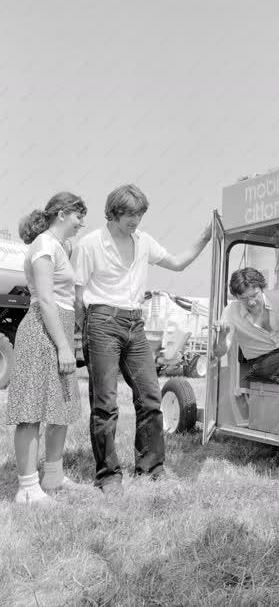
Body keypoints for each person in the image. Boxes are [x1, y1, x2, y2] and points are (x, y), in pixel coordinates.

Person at [71, 184, 211, 493]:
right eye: (130, 214)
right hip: (102, 320)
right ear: (114, 212)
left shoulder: (143, 241)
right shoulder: (90, 243)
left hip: (135, 323)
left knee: (150, 397)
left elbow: (178, 263)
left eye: (139, 214)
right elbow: (78, 295)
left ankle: (150, 467)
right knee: (105, 403)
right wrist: (86, 330)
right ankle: (108, 475)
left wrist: (205, 236)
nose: (136, 221)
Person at [7, 192, 87, 505]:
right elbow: (46, 299)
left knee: (60, 407)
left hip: (59, 328)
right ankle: (27, 488)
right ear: (63, 213)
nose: (81, 222)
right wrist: (64, 348)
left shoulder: (61, 246)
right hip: (42, 329)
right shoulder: (43, 245)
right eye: (79, 215)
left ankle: (53, 475)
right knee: (31, 410)